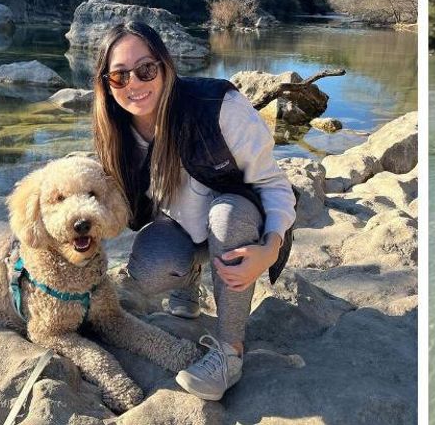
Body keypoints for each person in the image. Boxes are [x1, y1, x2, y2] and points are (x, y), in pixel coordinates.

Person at [90, 20, 296, 401]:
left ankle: (229, 353)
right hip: (182, 226)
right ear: (106, 83)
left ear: (165, 66)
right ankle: (188, 282)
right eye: (119, 76)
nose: (134, 83)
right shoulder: (116, 133)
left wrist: (269, 249)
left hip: (242, 224)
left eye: (145, 69)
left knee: (227, 216)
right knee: (147, 269)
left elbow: (274, 185)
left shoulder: (217, 106)